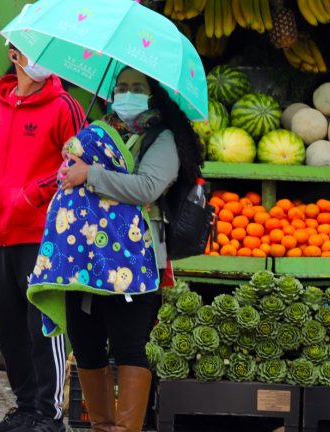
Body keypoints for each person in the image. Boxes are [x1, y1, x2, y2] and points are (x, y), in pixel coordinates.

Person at [31, 67, 203, 432]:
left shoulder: (164, 139)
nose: (128, 94)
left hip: (137, 265)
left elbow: (146, 188)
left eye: (137, 88)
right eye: (121, 87)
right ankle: (101, 427)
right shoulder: (96, 135)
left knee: (128, 347)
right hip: (86, 262)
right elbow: (70, 179)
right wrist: (73, 162)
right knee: (86, 344)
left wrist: (89, 175)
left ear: (152, 94)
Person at [0, 45, 84, 432]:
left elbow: (76, 162)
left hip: (43, 234)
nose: (41, 58)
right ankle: (24, 408)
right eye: (32, 50)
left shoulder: (64, 105)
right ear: (14, 53)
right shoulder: (1, 103)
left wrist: (31, 195)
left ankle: (48, 415)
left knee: (44, 325)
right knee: (6, 324)